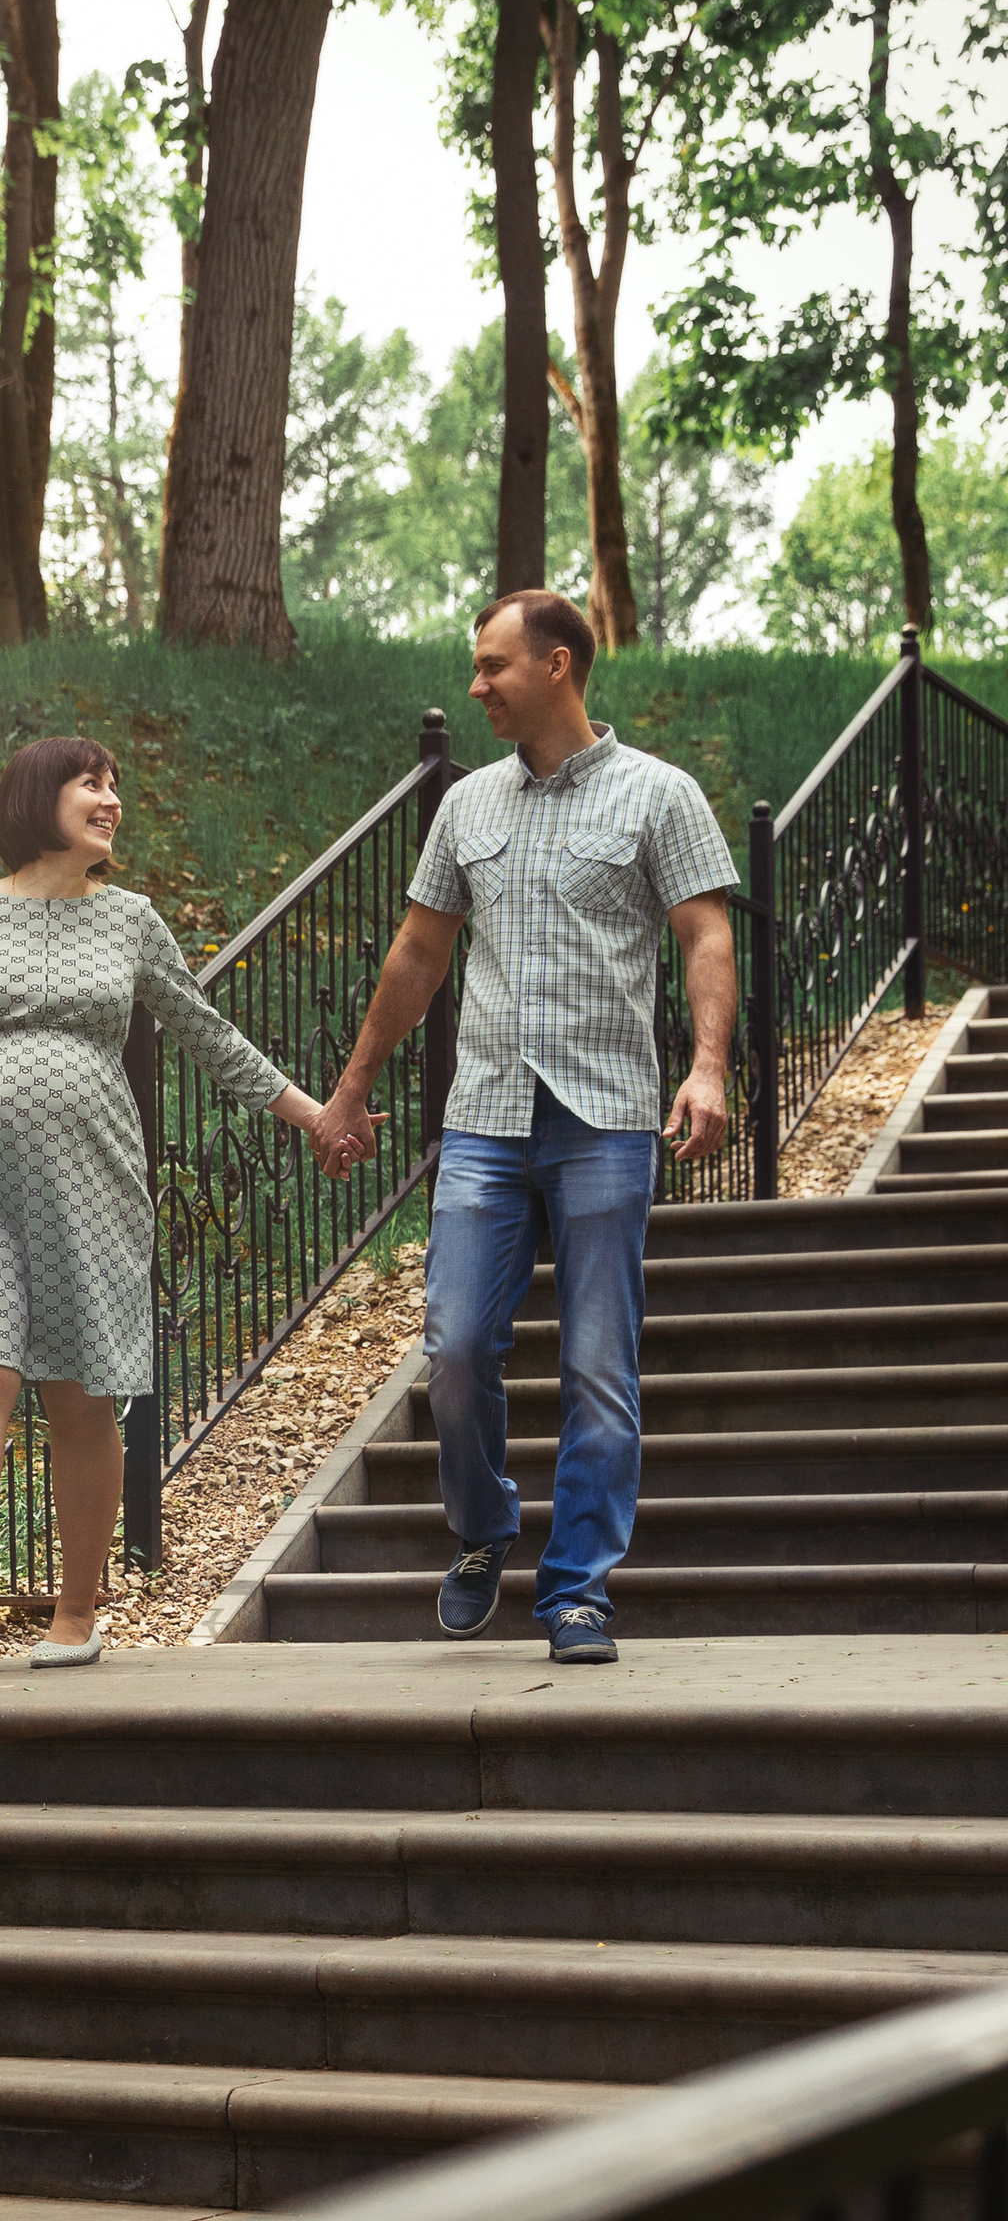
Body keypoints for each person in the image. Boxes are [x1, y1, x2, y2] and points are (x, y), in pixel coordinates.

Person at [308, 586, 740, 1665]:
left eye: (492, 665)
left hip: (604, 1118)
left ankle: (578, 1588)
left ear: (555, 667)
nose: (475, 685)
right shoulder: (467, 807)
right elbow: (417, 953)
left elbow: (703, 936)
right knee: (455, 1348)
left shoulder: (658, 796)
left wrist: (707, 1066)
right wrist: (354, 1085)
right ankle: (483, 1526)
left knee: (600, 1365)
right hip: (487, 1121)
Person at [0, 735, 335, 1669]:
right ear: (39, 798)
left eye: (114, 785)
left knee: (82, 1398)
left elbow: (206, 1035)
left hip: (95, 1182)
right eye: (91, 784)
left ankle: (75, 1614)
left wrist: (312, 1114)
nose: (110, 799)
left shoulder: (130, 921)